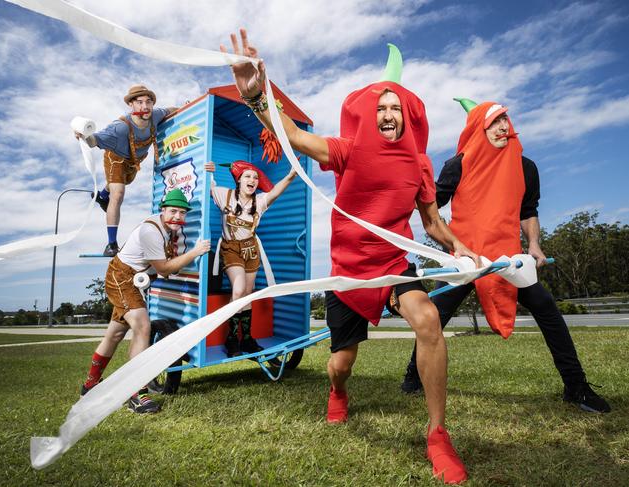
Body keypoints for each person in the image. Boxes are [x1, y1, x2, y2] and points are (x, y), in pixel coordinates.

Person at [221, 29, 480, 484]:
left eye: (394, 108)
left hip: (395, 264)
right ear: (367, 114)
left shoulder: (419, 164)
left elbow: (434, 225)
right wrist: (257, 97)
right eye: (379, 108)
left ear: (408, 117)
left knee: (429, 320)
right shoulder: (348, 150)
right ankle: (338, 393)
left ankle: (438, 433)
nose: (386, 114)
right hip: (348, 271)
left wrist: (460, 248)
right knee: (342, 363)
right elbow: (297, 138)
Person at [400, 98, 611, 414]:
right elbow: (431, 207)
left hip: (506, 259)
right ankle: (412, 379)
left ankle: (576, 387)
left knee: (546, 308)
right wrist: (455, 245)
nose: (503, 127)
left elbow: (528, 212)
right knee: (434, 316)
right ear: (478, 128)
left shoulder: (525, 167)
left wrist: (534, 245)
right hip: (467, 259)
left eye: (505, 120)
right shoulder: (457, 164)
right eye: (494, 121)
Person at [80, 188, 210, 413]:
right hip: (122, 277)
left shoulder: (169, 231)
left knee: (116, 333)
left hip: (134, 278)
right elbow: (164, 268)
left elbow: (164, 269)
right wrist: (195, 252)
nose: (177, 217)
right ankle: (136, 394)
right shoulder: (151, 231)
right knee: (142, 327)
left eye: (182, 213)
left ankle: (90, 385)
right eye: (172, 211)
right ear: (163, 210)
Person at [204, 160, 297, 357]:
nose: (252, 180)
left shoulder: (260, 201)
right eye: (247, 176)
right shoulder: (224, 195)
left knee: (247, 293)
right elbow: (207, 187)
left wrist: (290, 176)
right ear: (238, 180)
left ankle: (246, 339)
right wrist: (209, 172)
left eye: (255, 177)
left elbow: (275, 192)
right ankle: (231, 339)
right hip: (230, 249)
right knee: (238, 290)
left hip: (251, 249)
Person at [75, 84, 178, 256]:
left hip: (134, 162)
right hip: (115, 159)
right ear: (131, 104)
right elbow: (94, 141)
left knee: (123, 183)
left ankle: (102, 196)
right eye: (139, 102)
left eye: (148, 102)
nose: (145, 107)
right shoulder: (120, 127)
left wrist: (187, 106)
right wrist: (82, 135)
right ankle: (111, 244)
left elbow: (169, 110)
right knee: (119, 193)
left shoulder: (155, 115)